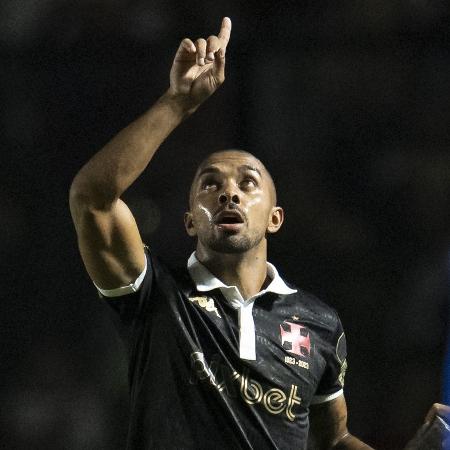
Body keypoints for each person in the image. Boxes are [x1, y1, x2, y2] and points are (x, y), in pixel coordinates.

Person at [69, 17, 447, 450]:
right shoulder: (154, 296)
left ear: (275, 218)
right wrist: (178, 103)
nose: (228, 192)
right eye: (210, 184)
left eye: (247, 183)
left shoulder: (320, 324)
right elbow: (91, 198)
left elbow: (334, 439)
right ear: (191, 220)